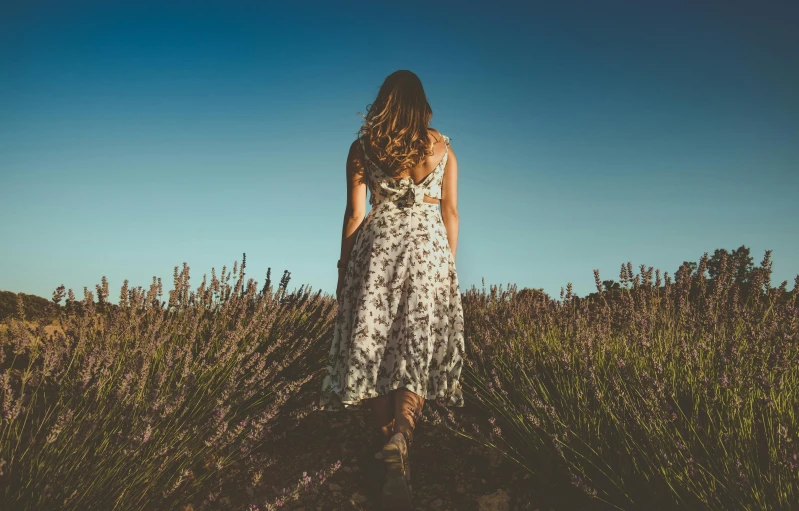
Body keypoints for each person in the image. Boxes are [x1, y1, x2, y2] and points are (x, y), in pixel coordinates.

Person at [319, 69, 466, 509]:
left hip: (378, 249)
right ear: (422, 105)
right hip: (428, 251)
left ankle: (388, 453)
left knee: (375, 346)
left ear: (383, 102)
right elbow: (452, 212)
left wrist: (345, 269)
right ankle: (403, 436)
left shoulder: (363, 147)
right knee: (415, 349)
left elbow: (354, 213)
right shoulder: (443, 148)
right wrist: (446, 269)